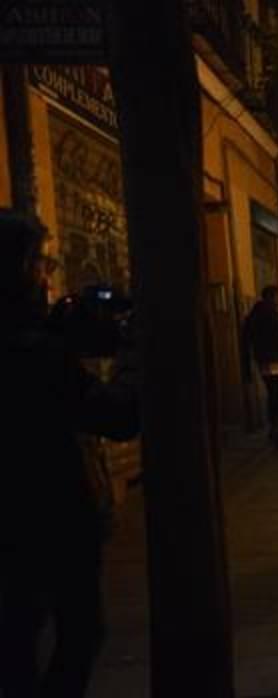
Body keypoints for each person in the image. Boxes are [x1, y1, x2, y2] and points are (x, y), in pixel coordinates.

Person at [1, 211, 140, 696]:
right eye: (39, 263)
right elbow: (121, 417)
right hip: (52, 522)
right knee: (78, 633)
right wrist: (132, 361)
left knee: (15, 643)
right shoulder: (32, 353)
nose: (47, 274)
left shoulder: (35, 343)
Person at [242, 285, 278, 450]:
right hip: (276, 360)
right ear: (272, 297)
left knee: (273, 394)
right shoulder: (273, 314)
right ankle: (276, 427)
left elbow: (246, 339)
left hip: (263, 361)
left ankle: (274, 426)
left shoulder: (253, 316)